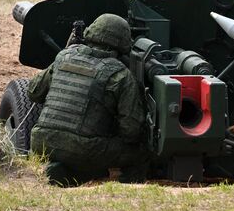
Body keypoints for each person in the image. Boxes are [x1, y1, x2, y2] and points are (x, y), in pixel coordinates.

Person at [28, 13, 149, 186]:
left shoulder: (64, 56)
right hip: (83, 149)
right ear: (123, 43)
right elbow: (132, 131)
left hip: (41, 142)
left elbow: (33, 92)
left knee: (85, 151)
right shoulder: (120, 74)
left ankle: (64, 172)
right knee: (141, 151)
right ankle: (127, 187)